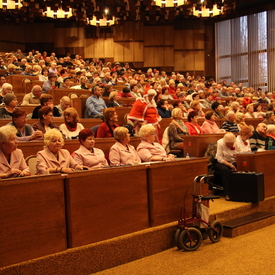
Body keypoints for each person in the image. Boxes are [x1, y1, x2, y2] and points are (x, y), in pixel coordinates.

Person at [214, 132, 241, 200]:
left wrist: (237, 164)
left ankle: (240, 192)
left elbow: (240, 154)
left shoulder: (237, 142)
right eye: (228, 144)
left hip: (234, 161)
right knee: (225, 170)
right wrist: (230, 165)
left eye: (231, 143)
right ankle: (227, 193)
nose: (230, 145)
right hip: (222, 162)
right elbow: (219, 158)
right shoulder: (220, 142)